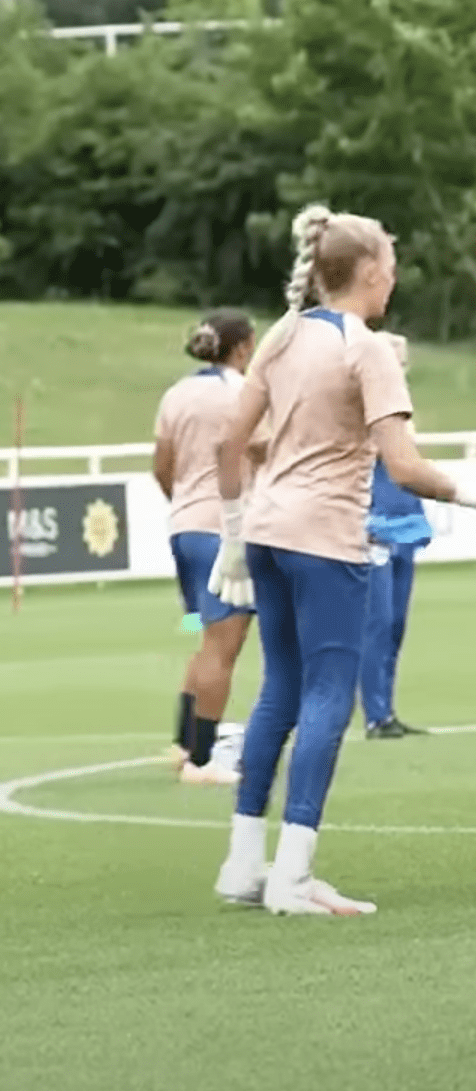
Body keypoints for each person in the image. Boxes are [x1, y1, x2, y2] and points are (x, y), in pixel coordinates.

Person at [206, 204, 476, 916]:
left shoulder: (284, 334)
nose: (395, 282)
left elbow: (232, 441)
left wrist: (231, 533)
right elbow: (403, 466)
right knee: (327, 695)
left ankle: (243, 863)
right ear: (372, 271)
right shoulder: (366, 347)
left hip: (267, 530)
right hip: (324, 536)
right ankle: (293, 876)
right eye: (393, 269)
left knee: (278, 688)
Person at [154, 309, 258, 786]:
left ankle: (184, 742)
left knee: (206, 640)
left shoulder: (177, 393)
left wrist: (184, 506)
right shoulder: (242, 393)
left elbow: (162, 465)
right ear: (241, 348)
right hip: (226, 529)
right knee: (225, 646)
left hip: (186, 528)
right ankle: (201, 761)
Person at [360, 332, 433, 739]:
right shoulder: (363, 414)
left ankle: (386, 709)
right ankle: (375, 713)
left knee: (396, 624)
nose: (400, 369)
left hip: (404, 524)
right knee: (379, 621)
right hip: (374, 528)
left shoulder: (402, 413)